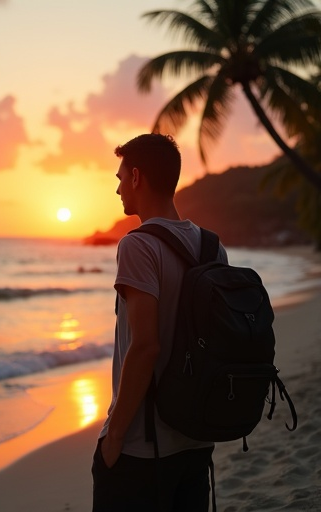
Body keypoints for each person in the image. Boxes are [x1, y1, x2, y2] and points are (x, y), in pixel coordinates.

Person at [92, 133, 228, 511]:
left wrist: (115, 435)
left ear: (136, 177)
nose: (118, 189)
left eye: (120, 178)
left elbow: (146, 345)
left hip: (143, 447)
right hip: (196, 438)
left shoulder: (137, 245)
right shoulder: (212, 246)